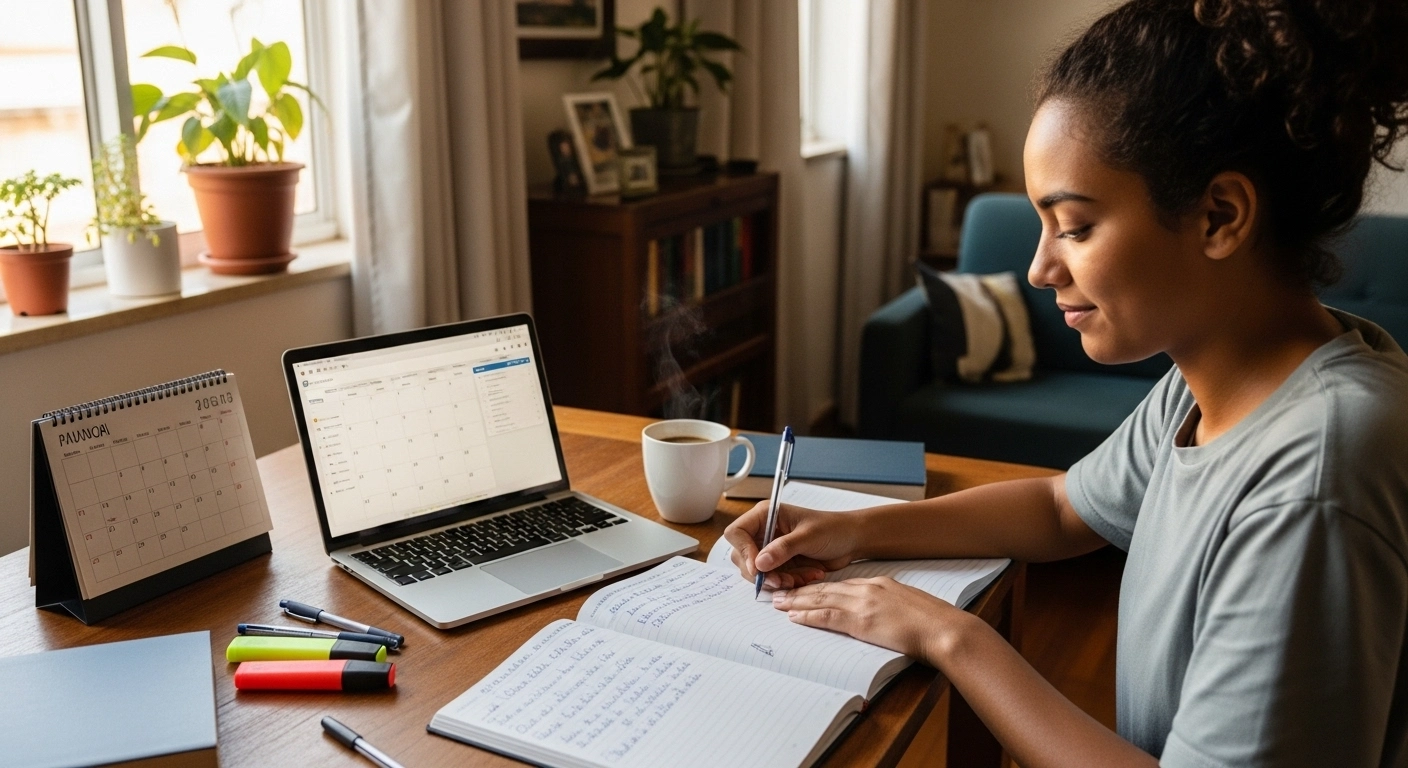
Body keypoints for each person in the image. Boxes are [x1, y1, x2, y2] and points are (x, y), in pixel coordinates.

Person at [724, 0, 1408, 764]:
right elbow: (1062, 509)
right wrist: (854, 529)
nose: (1039, 268)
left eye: (1075, 227)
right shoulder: (1209, 382)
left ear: (1220, 216)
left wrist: (949, 635)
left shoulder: (1316, 475)